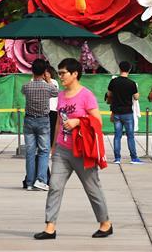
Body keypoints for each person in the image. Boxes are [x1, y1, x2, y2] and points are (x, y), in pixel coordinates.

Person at [35, 57, 112, 241]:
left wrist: (78, 121)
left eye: (63, 73)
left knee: (92, 188)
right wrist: (54, 146)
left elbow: (98, 122)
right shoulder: (60, 95)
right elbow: (58, 123)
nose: (60, 76)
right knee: (54, 186)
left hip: (82, 151)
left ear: (75, 74)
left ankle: (105, 223)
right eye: (59, 73)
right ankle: (50, 227)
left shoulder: (86, 95)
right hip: (62, 149)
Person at [21, 58, 57, 191]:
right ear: (44, 72)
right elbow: (56, 92)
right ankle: (41, 180)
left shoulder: (26, 87)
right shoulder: (48, 87)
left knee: (30, 152)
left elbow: (24, 92)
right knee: (44, 151)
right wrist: (48, 79)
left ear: (32, 71)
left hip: (29, 120)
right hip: (43, 121)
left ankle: (29, 182)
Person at [106, 61, 142, 165]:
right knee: (130, 136)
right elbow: (136, 97)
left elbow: (109, 94)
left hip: (116, 112)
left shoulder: (114, 82)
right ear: (129, 69)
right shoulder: (131, 83)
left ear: (120, 69)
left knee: (117, 136)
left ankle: (117, 158)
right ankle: (134, 158)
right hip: (127, 112)